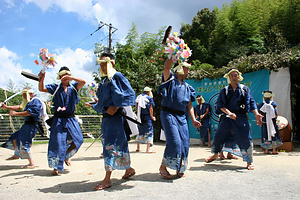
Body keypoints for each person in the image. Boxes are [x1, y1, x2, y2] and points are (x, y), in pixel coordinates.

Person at [85, 53, 136, 190]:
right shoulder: (103, 82)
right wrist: (94, 105)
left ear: (111, 63)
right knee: (117, 145)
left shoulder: (117, 76)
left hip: (116, 119)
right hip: (107, 120)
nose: (102, 66)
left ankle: (107, 179)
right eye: (100, 64)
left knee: (110, 146)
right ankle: (128, 169)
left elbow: (129, 94)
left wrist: (116, 106)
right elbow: (102, 104)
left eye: (104, 63)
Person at [205, 67, 263, 170]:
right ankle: (215, 154)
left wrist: (256, 114)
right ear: (229, 78)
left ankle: (249, 161)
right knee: (219, 135)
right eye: (231, 75)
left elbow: (251, 103)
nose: (234, 77)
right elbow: (221, 105)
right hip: (227, 117)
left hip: (241, 117)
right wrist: (230, 113)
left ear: (239, 77)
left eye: (235, 75)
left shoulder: (245, 89)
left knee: (245, 137)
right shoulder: (225, 90)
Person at [158, 58, 201, 178]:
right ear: (180, 68)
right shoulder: (170, 80)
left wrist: (193, 120)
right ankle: (163, 166)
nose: (188, 71)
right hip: (168, 114)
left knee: (184, 143)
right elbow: (166, 68)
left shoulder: (188, 87)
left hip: (182, 117)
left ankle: (179, 167)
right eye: (187, 68)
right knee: (175, 141)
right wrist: (172, 55)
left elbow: (189, 106)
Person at [38, 66, 85, 175]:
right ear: (59, 77)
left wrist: (71, 77)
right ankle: (56, 166)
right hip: (59, 119)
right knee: (57, 143)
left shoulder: (74, 87)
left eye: (67, 75)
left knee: (78, 140)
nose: (65, 77)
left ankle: (64, 157)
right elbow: (41, 89)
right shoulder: (55, 87)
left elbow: (83, 82)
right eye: (63, 75)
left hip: (71, 119)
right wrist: (42, 79)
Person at [1, 87, 43, 169]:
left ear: (30, 94)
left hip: (32, 125)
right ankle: (17, 154)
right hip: (26, 125)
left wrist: (15, 114)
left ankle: (31, 163)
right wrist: (6, 107)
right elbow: (20, 107)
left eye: (24, 94)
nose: (23, 96)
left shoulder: (36, 101)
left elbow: (30, 113)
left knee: (24, 143)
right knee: (15, 137)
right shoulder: (29, 101)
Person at [257, 90, 282, 154]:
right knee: (273, 133)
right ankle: (274, 150)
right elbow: (276, 113)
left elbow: (259, 112)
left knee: (265, 134)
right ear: (271, 97)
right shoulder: (273, 104)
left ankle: (266, 150)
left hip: (265, 121)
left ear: (264, 97)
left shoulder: (262, 104)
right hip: (272, 121)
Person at [135, 86, 156, 153]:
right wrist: (152, 116)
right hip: (147, 117)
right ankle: (148, 149)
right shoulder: (149, 98)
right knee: (149, 131)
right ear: (148, 92)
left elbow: (136, 106)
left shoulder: (139, 97)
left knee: (140, 130)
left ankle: (138, 147)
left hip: (140, 116)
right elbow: (150, 108)